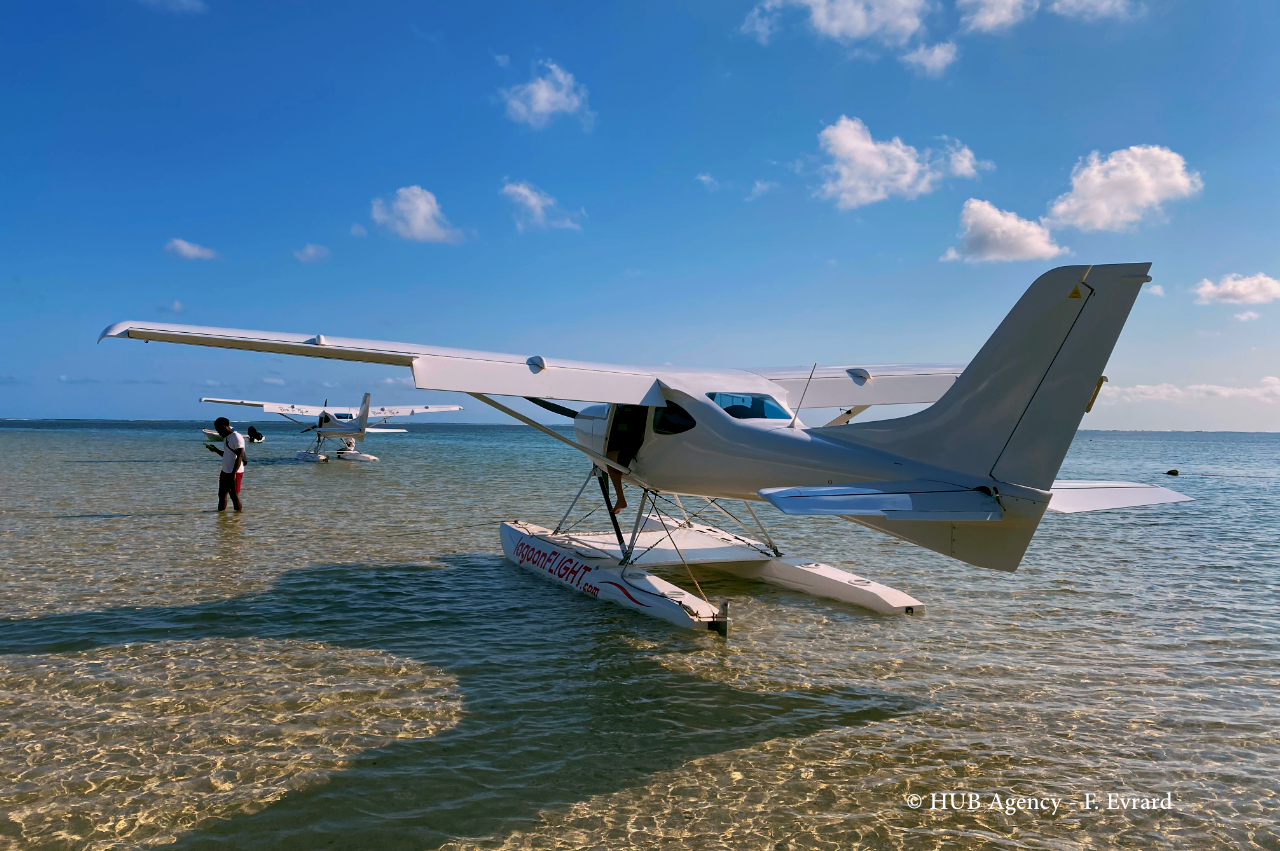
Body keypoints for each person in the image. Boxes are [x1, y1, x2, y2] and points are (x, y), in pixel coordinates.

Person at [206, 417, 246, 512]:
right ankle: (221, 518)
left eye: (218, 429)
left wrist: (233, 474)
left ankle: (237, 519)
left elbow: (240, 455)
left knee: (234, 495)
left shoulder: (236, 437)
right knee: (222, 494)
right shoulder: (226, 438)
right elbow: (227, 455)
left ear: (223, 426)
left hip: (234, 471)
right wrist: (215, 450)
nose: (218, 432)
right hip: (225, 470)